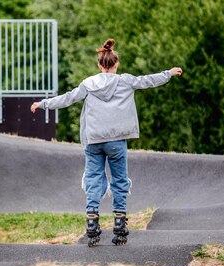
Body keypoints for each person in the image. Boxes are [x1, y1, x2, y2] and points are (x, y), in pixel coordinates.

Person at [31, 38, 183, 247]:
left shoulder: (88, 84)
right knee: (119, 180)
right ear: (116, 63)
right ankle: (120, 224)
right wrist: (169, 73)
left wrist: (43, 103)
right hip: (116, 141)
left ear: (100, 65)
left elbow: (68, 98)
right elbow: (148, 80)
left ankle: (92, 222)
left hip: (94, 141)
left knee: (93, 179)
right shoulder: (126, 81)